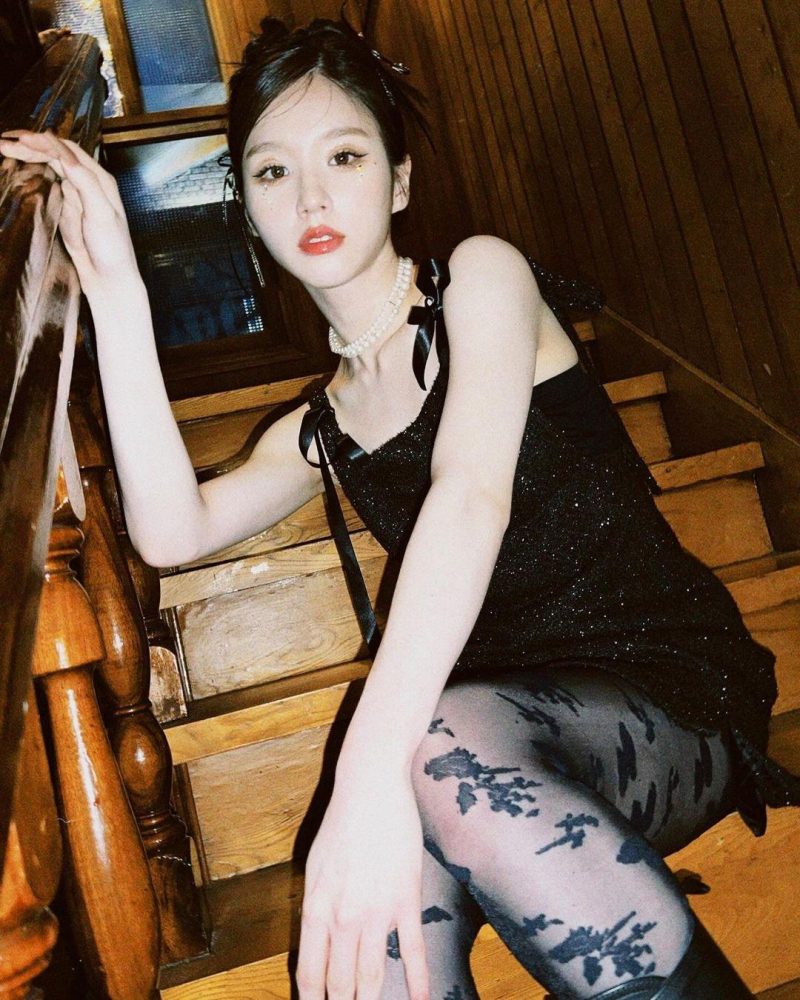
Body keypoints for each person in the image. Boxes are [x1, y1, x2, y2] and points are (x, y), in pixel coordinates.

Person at [2, 17, 798, 1000]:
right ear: (247, 208)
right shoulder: (323, 424)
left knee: (430, 753)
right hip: (478, 735)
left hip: (665, 690)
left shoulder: (483, 281)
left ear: (400, 182)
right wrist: (120, 293)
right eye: (272, 172)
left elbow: (469, 500)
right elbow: (171, 531)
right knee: (374, 915)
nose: (311, 197)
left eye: (344, 156)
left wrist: (364, 775)